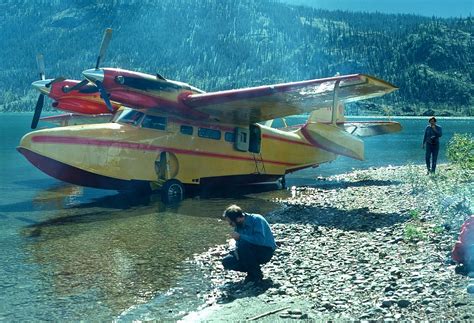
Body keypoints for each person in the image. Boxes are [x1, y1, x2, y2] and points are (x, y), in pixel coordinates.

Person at [221, 205, 277, 284]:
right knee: (227, 261)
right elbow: (239, 244)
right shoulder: (238, 226)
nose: (230, 225)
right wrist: (234, 250)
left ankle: (256, 275)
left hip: (265, 251)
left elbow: (260, 240)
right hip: (249, 252)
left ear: (238, 219)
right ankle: (251, 272)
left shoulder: (257, 219)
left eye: (231, 222)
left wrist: (240, 237)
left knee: (244, 245)